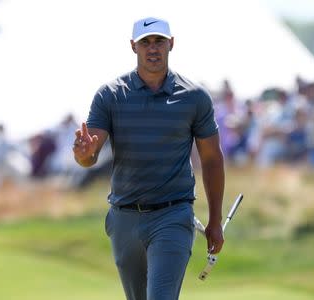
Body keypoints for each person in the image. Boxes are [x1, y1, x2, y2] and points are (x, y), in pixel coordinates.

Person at [73, 17, 225, 300]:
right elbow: (90, 155)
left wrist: (215, 220)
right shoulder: (110, 95)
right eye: (145, 42)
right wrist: (84, 155)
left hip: (173, 214)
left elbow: (212, 159)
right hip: (124, 218)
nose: (152, 48)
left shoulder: (194, 97)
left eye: (158, 41)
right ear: (133, 47)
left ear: (171, 44)